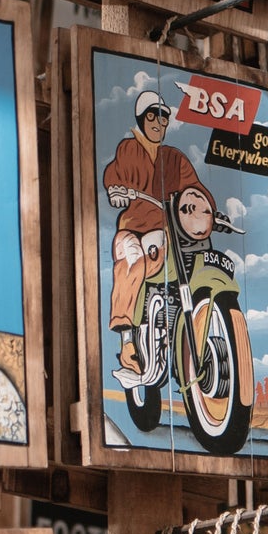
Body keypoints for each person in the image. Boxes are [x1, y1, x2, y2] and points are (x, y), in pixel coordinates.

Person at [102, 89, 214, 376]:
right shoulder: (128, 149)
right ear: (141, 119)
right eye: (152, 116)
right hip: (134, 229)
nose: (158, 123)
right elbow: (115, 174)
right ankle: (127, 339)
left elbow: (195, 188)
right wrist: (117, 191)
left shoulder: (174, 158)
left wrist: (206, 208)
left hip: (166, 231)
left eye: (163, 118)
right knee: (132, 258)